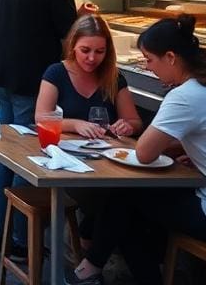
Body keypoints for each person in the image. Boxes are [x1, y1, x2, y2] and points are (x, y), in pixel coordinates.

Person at [64, 16, 206, 285]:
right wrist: (197, 153)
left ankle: (97, 268)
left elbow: (144, 153)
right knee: (134, 203)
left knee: (125, 197)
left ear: (171, 57)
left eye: (149, 60)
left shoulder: (185, 96)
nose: (149, 68)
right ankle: (94, 265)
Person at [0, 0, 96, 254]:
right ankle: (20, 238)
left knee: (1, 153)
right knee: (27, 156)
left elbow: (19, 18)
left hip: (0, 73)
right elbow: (69, 37)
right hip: (33, 80)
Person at [35, 14, 142, 273]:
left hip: (108, 159)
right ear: (73, 45)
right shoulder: (56, 72)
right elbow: (41, 116)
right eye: (85, 51)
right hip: (68, 162)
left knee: (123, 193)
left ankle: (90, 255)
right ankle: (92, 257)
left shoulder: (114, 77)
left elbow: (134, 121)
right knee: (111, 196)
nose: (92, 58)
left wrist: (126, 125)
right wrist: (75, 124)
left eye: (99, 51)